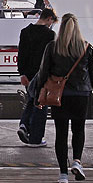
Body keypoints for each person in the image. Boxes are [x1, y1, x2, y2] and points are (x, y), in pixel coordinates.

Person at [36, 13, 93, 183]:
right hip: (81, 95)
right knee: (79, 130)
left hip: (60, 96)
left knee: (61, 133)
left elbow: (43, 73)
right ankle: (77, 162)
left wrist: (38, 96)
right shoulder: (86, 47)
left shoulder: (52, 47)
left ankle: (63, 174)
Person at [17, 8, 58, 147]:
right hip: (42, 75)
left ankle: (24, 125)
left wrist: (22, 73)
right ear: (49, 19)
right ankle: (35, 138)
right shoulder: (50, 34)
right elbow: (52, 58)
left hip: (28, 75)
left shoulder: (25, 32)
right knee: (41, 104)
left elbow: (21, 54)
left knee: (31, 100)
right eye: (52, 21)